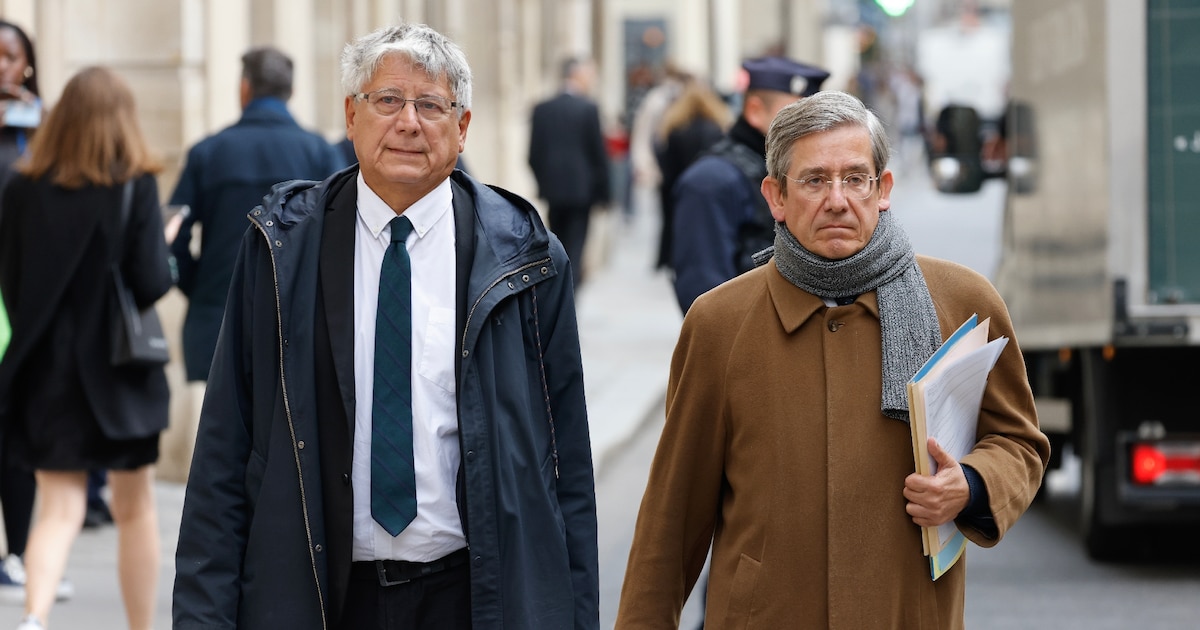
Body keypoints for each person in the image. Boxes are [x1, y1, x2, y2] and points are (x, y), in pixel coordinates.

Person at [173, 22, 598, 630]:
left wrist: (577, 615)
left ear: (463, 127)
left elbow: (568, 468)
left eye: (431, 105)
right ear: (351, 116)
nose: (409, 122)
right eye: (388, 101)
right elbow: (224, 451)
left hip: (473, 597)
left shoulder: (525, 258)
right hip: (323, 598)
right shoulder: (282, 249)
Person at [616, 91, 1050, 629]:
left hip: (908, 614)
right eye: (815, 180)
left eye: (855, 178)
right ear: (775, 196)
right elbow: (672, 517)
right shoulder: (718, 323)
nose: (838, 199)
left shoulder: (963, 302)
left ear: (883, 188)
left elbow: (1018, 443)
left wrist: (973, 483)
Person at [0, 65, 172, 630]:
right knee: (135, 508)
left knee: (57, 507)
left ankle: (33, 619)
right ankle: (142, 627)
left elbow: (14, 285)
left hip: (49, 371)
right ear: (122, 121)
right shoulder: (135, 184)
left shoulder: (23, 188)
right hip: (122, 373)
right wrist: (166, 249)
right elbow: (150, 283)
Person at [168, 45, 344, 383]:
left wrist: (200, 287)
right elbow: (342, 239)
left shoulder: (207, 153)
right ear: (291, 91)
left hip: (218, 325)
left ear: (244, 88)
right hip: (296, 325)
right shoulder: (320, 153)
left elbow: (171, 235)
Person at [0, 20, 77, 607]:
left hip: (24, 299)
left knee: (18, 429)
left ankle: (27, 552)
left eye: (10, 56)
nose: (1, 66)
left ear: (27, 63)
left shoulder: (47, 127)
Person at [670, 56, 829, 312]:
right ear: (755, 110)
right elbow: (703, 299)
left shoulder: (782, 168)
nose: (811, 127)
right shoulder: (711, 180)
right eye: (796, 114)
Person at [528, 56, 610, 288]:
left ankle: (558, 292)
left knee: (557, 244)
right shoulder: (588, 108)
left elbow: (533, 155)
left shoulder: (543, 108)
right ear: (577, 75)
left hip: (553, 192)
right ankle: (569, 297)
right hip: (582, 192)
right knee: (575, 248)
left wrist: (545, 183)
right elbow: (598, 155)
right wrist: (604, 194)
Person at [654, 78, 730, 270]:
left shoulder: (675, 128)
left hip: (676, 187)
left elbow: (665, 161)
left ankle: (673, 260)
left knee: (677, 227)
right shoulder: (716, 127)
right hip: (708, 189)